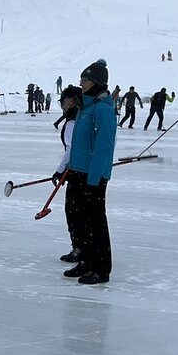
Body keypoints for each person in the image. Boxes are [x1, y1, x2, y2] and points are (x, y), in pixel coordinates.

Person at [63, 60, 116, 284]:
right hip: (77, 172)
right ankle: (85, 261)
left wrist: (94, 178)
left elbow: (103, 148)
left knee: (95, 223)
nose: (81, 84)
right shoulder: (86, 108)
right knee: (80, 220)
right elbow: (79, 144)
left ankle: (101, 267)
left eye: (84, 80)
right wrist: (69, 168)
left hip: (92, 176)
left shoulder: (103, 110)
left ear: (96, 82)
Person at [53, 86, 83, 266]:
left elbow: (72, 149)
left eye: (63, 100)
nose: (62, 104)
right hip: (81, 169)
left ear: (72, 100)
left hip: (76, 171)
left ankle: (79, 248)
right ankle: (82, 247)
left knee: (74, 212)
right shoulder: (81, 116)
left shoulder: (73, 121)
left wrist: (60, 170)